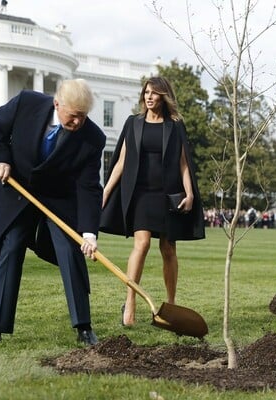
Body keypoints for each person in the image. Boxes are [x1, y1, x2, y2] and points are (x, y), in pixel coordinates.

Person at [0, 79, 105, 346]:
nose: (77, 123)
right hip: (18, 189)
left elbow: (88, 187)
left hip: (58, 199)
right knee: (11, 247)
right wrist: (0, 158)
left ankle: (83, 327)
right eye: (72, 116)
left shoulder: (93, 138)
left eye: (83, 117)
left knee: (69, 248)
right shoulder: (26, 103)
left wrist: (88, 233)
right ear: (57, 103)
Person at [100, 76, 205, 327]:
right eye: (146, 92)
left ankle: (171, 305)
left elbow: (183, 163)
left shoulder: (175, 126)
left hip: (168, 195)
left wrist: (189, 194)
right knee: (142, 243)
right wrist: (105, 192)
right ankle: (131, 302)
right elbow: (122, 162)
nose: (149, 96)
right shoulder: (133, 123)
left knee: (168, 249)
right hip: (141, 195)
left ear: (163, 96)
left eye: (154, 93)